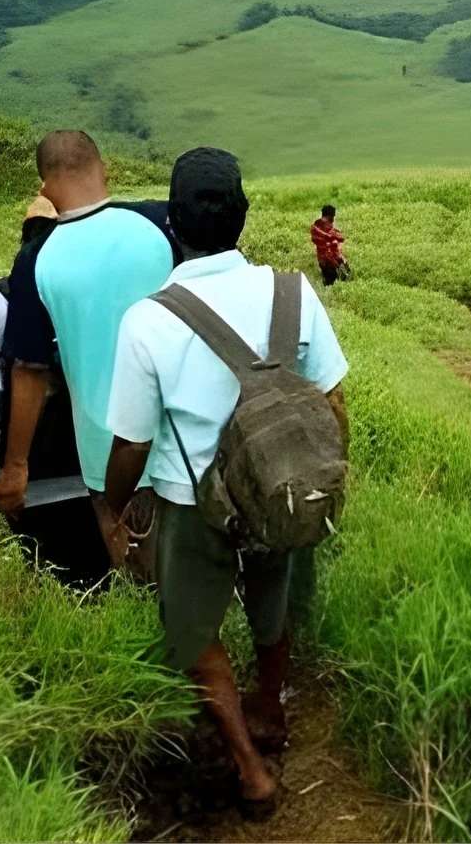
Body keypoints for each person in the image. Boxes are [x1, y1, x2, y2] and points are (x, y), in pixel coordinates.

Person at [105, 148, 350, 815]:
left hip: (192, 504)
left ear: (171, 224)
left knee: (192, 628)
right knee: (273, 607)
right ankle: (270, 708)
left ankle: (251, 768)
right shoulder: (294, 292)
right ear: (243, 216)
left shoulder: (148, 320)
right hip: (281, 490)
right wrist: (316, 480)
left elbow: (131, 442)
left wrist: (111, 508)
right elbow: (333, 405)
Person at [0, 131, 176, 569]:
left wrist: (16, 466)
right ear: (105, 170)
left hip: (109, 459)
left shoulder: (34, 261)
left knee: (142, 582)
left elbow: (30, 370)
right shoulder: (159, 223)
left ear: (44, 189)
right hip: (189, 436)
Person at [0, 197, 114, 591]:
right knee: (96, 584)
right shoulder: (96, 296)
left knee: (45, 581)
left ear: (24, 237)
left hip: (27, 475)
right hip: (97, 473)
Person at [311, 204, 349, 286]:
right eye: (333, 216)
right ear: (329, 216)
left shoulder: (325, 226)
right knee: (331, 282)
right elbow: (327, 249)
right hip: (327, 261)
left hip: (329, 259)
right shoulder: (321, 228)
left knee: (334, 280)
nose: (333, 219)